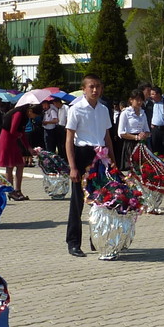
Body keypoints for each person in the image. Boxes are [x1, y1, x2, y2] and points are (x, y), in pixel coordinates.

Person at [65, 74, 114, 257]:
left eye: (98, 86)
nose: (95, 90)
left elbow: (107, 136)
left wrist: (113, 162)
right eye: (91, 87)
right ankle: (73, 242)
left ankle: (97, 239)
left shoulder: (103, 109)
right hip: (83, 154)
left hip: (101, 155)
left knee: (101, 201)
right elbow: (69, 139)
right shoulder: (76, 109)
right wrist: (72, 166)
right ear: (84, 89)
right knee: (78, 202)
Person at [0, 103, 33, 200]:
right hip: (7, 139)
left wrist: (28, 147)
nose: (34, 117)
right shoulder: (18, 113)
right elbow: (13, 130)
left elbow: (22, 132)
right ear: (30, 111)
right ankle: (11, 190)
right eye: (35, 115)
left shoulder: (25, 117)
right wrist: (19, 135)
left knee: (20, 164)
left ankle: (18, 190)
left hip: (14, 140)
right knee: (10, 166)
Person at [116, 88, 151, 168]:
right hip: (130, 144)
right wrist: (135, 137)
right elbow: (121, 133)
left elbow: (147, 130)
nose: (139, 102)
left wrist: (144, 135)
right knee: (132, 169)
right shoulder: (125, 113)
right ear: (131, 100)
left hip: (141, 143)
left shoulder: (143, 113)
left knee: (144, 168)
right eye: (137, 100)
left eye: (141, 100)